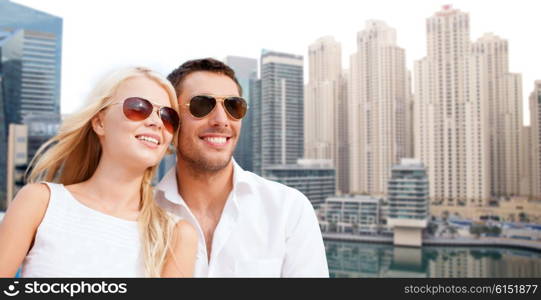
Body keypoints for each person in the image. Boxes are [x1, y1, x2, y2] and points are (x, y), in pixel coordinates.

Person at [0, 67, 197, 277]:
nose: (156, 122)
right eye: (138, 107)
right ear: (99, 122)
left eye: (168, 117)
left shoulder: (177, 235)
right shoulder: (40, 202)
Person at [156, 58, 329, 277]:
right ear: (171, 118)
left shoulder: (288, 210)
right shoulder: (141, 215)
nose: (221, 120)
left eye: (233, 106)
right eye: (202, 105)